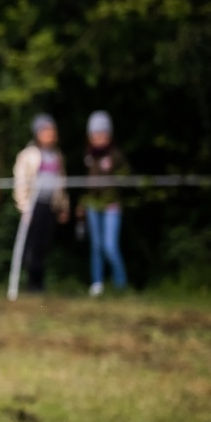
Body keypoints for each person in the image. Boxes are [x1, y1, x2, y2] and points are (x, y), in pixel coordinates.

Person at [12, 113, 69, 295]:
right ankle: (31, 282)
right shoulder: (28, 155)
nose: (50, 134)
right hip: (33, 205)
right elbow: (20, 182)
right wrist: (24, 206)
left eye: (52, 130)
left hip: (50, 205)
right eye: (45, 130)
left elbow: (62, 182)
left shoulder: (57, 155)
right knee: (33, 244)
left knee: (44, 244)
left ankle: (39, 282)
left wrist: (63, 206)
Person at [80, 110, 128, 296]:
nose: (99, 138)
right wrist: (82, 204)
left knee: (110, 246)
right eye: (95, 134)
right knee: (96, 246)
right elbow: (86, 183)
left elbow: (125, 178)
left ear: (109, 135)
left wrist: (113, 185)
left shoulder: (115, 155)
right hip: (93, 205)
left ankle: (120, 285)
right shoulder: (88, 156)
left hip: (111, 205)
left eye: (102, 133)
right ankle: (97, 283)